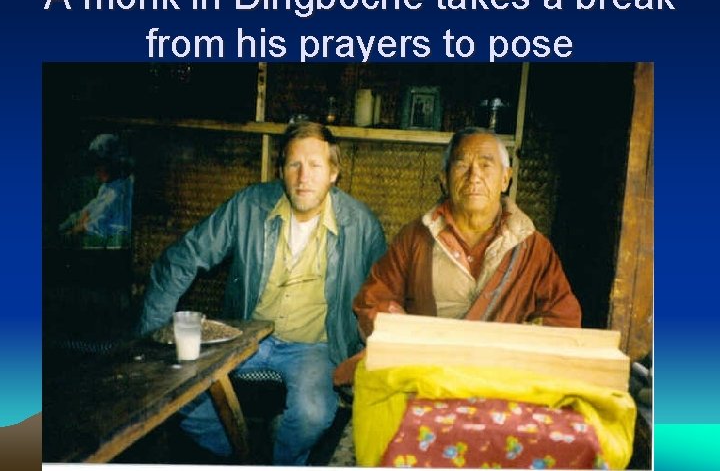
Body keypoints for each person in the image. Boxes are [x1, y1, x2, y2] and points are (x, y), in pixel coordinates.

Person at [136, 121, 387, 464]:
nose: (303, 177)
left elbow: (380, 297)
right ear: (281, 169)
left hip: (314, 347)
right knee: (177, 391)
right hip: (246, 337)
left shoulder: (362, 224)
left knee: (313, 414)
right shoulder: (248, 206)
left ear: (333, 173)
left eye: (315, 166)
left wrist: (362, 357)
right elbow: (181, 259)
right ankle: (240, 452)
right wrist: (150, 336)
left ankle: (280, 460)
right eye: (294, 165)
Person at [352, 126, 580, 343]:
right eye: (462, 165)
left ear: (505, 179)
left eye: (486, 165)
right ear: (445, 179)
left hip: (503, 375)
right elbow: (374, 302)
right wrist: (407, 334)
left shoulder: (533, 248)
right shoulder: (415, 239)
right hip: (429, 371)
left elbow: (562, 319)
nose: (474, 176)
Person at [59, 133, 134, 248]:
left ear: (113, 163)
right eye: (95, 165)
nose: (96, 170)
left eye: (100, 164)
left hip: (109, 242)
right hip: (95, 229)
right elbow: (93, 205)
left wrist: (73, 231)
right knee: (70, 221)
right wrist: (84, 215)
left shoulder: (119, 193)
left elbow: (94, 225)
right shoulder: (109, 185)